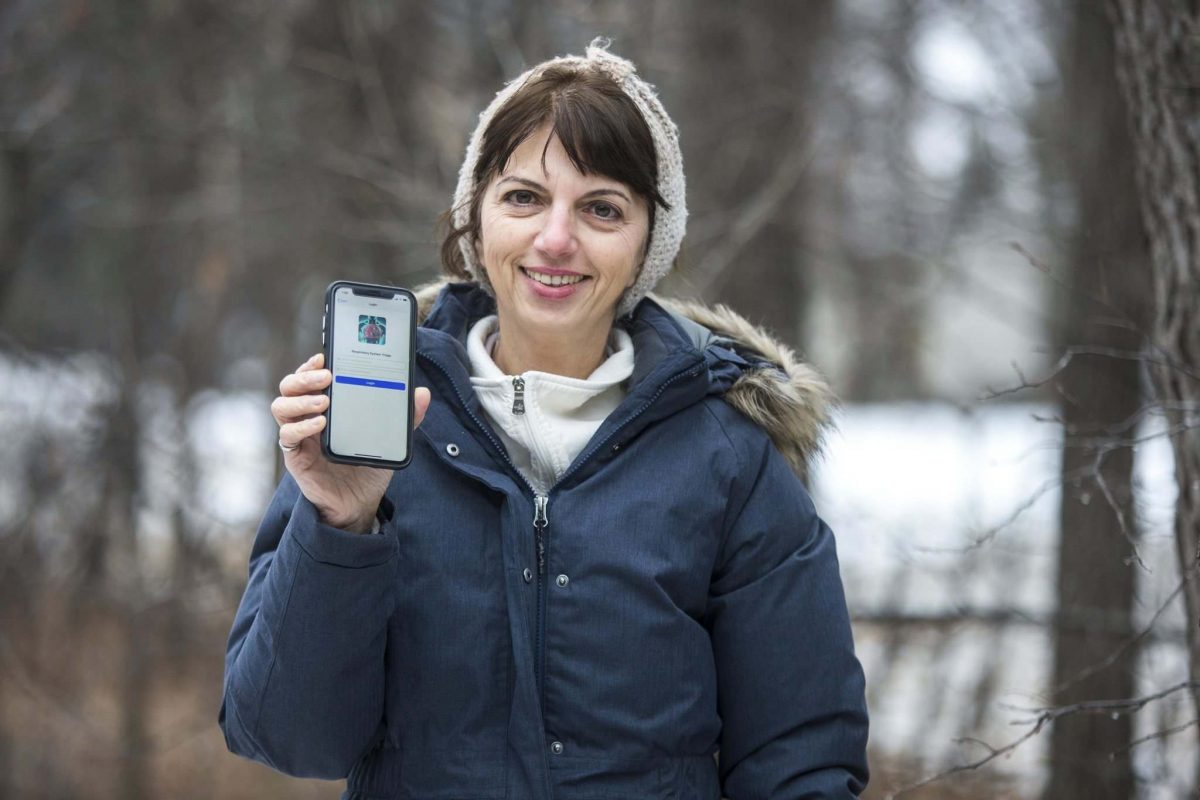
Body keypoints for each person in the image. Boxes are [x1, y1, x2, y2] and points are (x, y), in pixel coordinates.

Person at [219, 39, 868, 799]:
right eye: (524, 197)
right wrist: (339, 525)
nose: (555, 239)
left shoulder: (727, 455)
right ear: (477, 223)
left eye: (601, 208)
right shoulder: (378, 427)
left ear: (647, 244)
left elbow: (801, 762)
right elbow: (288, 736)